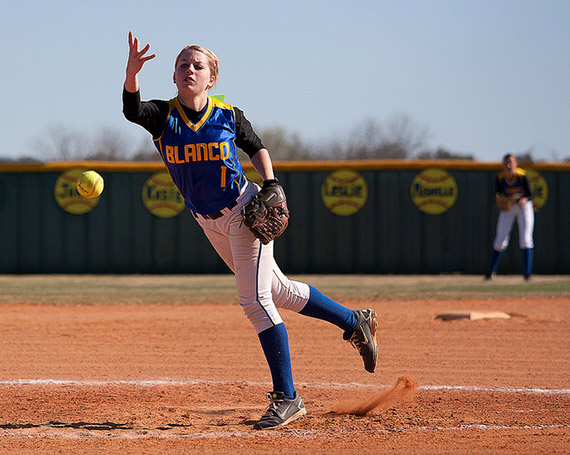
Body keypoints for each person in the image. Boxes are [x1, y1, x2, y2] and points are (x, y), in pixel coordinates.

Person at [122, 32, 378, 430]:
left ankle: (288, 397)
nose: (189, 69)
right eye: (182, 65)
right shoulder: (163, 116)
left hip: (244, 211)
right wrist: (132, 73)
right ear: (173, 77)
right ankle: (353, 321)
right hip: (207, 221)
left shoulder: (227, 114)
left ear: (212, 79)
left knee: (255, 301)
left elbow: (256, 147)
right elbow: (131, 109)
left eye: (198, 65)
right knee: (279, 291)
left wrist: (272, 183)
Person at [485, 154, 534, 281]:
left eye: (511, 162)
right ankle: (491, 272)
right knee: (500, 238)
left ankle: (527, 274)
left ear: (515, 164)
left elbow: (530, 193)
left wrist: (524, 198)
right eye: (506, 163)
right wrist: (502, 200)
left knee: (525, 239)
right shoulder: (500, 177)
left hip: (524, 207)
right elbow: (498, 194)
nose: (508, 165)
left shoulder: (522, 175)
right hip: (509, 207)